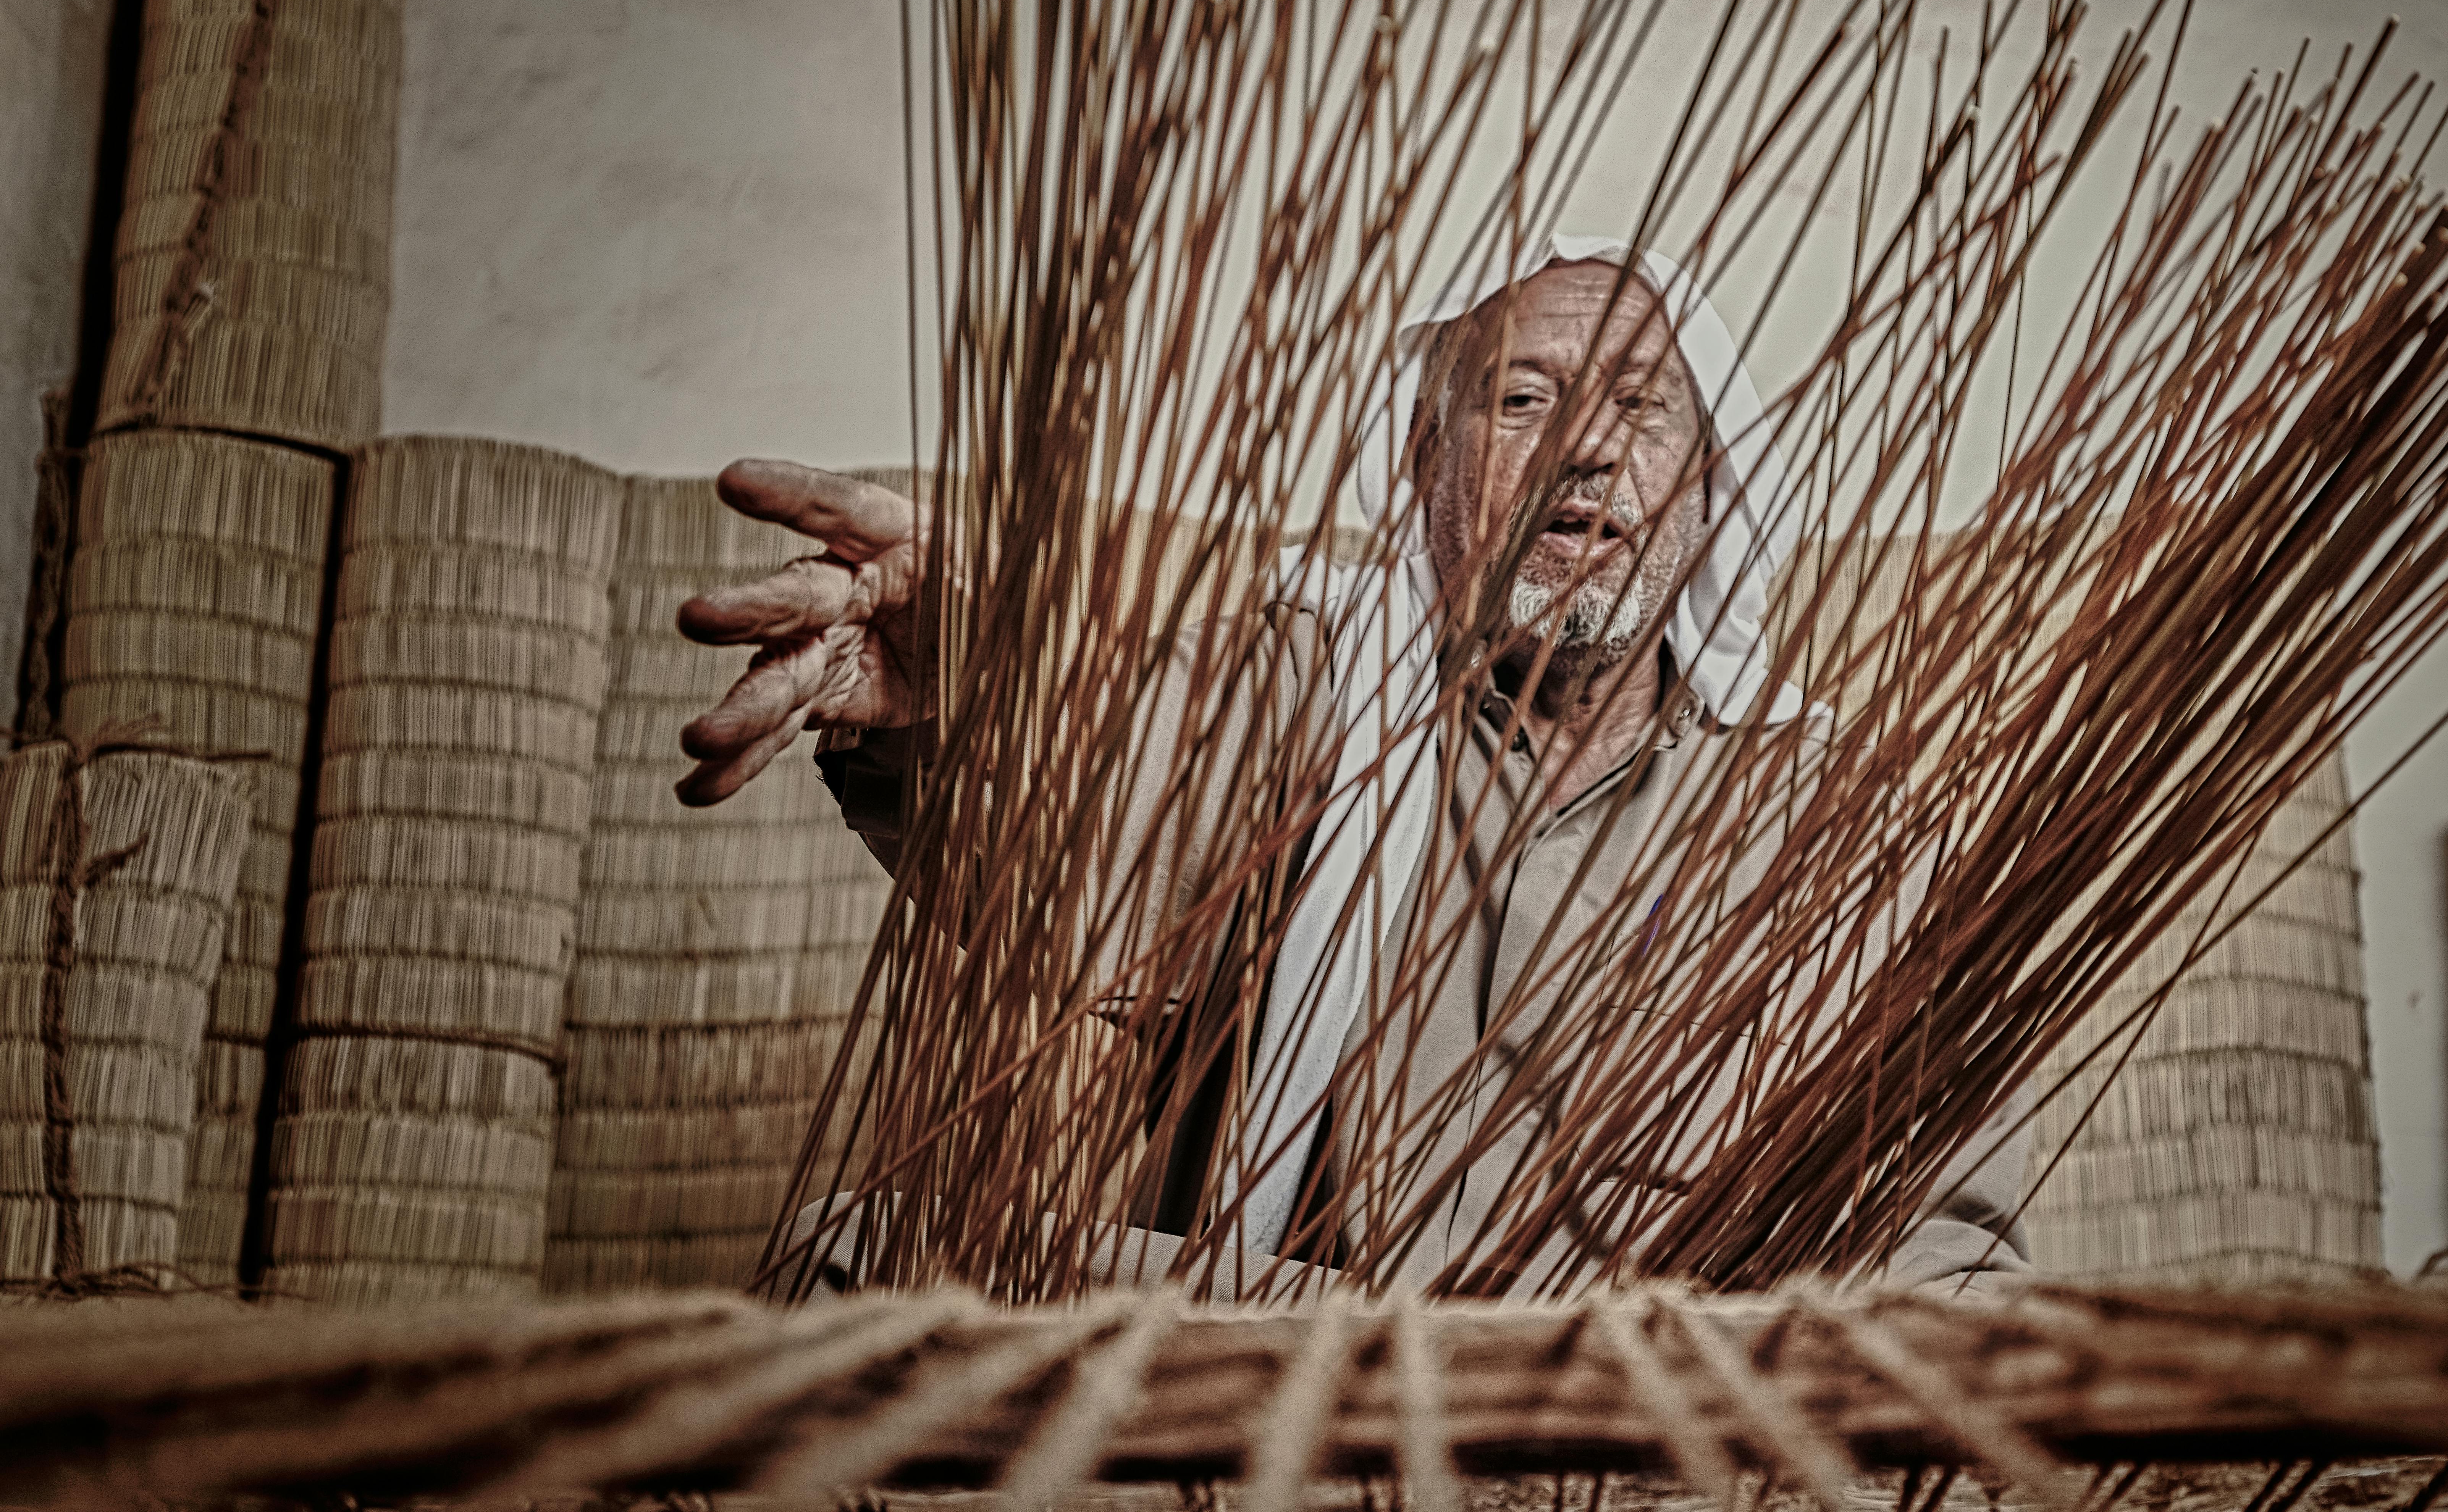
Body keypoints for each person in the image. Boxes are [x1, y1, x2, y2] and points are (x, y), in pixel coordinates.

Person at [676, 236, 2033, 1299]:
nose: (1588, 448)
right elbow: (1063, 850)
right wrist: (960, 696)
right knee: (852, 1259)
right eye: (1522, 397)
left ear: (1714, 478)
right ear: (1421, 457)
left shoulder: (1839, 818)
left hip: (1660, 1409)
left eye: (1642, 408)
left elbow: (1949, 1240)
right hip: (1301, 1358)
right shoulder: (1298, 683)